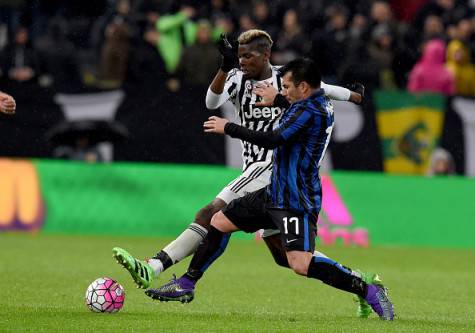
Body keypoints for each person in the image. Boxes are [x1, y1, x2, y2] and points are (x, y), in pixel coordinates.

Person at [112, 29, 371, 317]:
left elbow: (324, 88)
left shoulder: (283, 80)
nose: (242, 60)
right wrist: (224, 67)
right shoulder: (236, 78)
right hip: (255, 170)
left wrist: (355, 96)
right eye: (239, 55)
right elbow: (211, 102)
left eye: (248, 55)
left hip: (272, 164)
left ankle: (154, 267)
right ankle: (358, 282)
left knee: (210, 213)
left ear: (266, 55)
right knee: (285, 257)